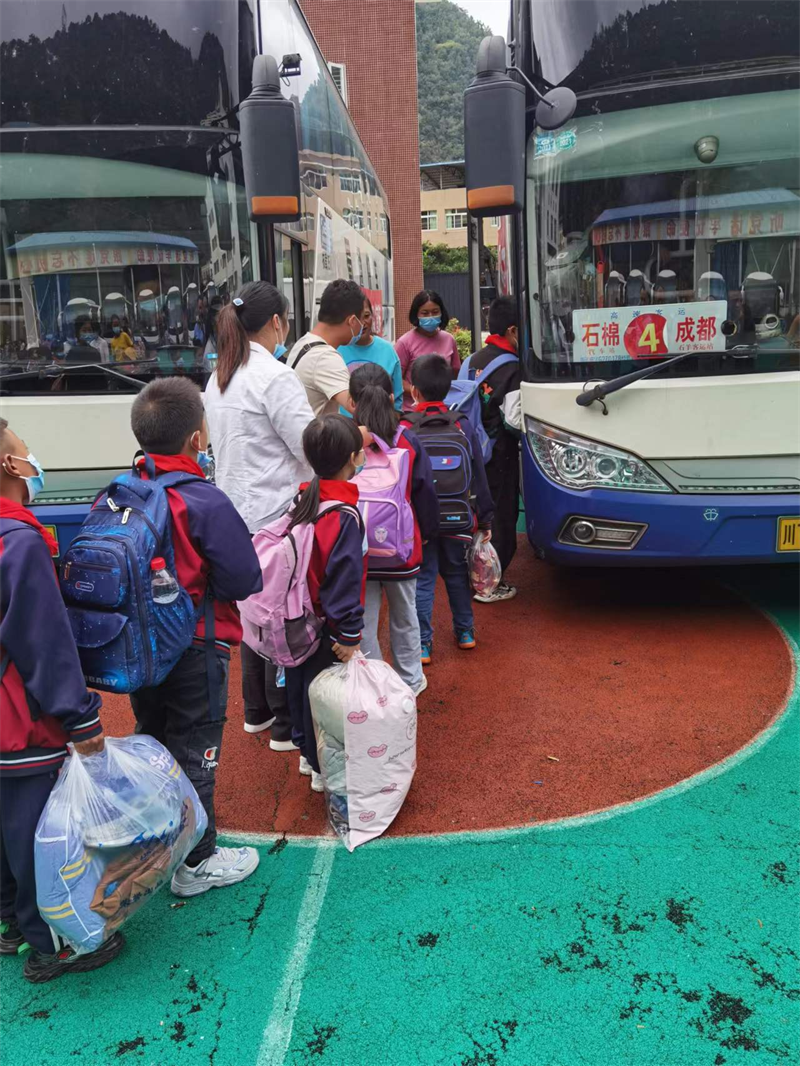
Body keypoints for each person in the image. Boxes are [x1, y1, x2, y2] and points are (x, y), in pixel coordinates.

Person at [129, 378, 263, 897]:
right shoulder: (202, 499)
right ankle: (197, 862)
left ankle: (158, 843)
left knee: (153, 738)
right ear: (196, 439)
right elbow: (244, 578)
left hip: (140, 648)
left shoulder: (123, 491)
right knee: (196, 750)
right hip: (195, 644)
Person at [0, 418, 122, 983]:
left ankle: (10, 919)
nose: (33, 458)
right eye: (25, 449)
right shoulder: (18, 540)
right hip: (19, 718)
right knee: (35, 829)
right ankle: (52, 942)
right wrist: (80, 717)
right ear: (10, 464)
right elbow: (42, 640)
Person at [204, 281, 315, 746]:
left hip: (235, 511)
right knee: (283, 611)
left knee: (252, 609)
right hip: (277, 512)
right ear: (276, 322)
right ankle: (285, 723)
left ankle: (257, 711)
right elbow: (308, 446)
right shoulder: (274, 376)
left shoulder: (221, 374)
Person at [284, 415, 366, 793]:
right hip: (326, 624)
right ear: (352, 458)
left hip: (296, 617)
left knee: (300, 686)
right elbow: (343, 579)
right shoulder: (343, 514)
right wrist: (349, 633)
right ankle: (323, 766)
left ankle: (305, 751)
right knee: (326, 696)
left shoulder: (303, 498)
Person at [349, 364, 438, 694]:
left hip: (359, 549)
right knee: (404, 615)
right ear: (391, 397)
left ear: (352, 403)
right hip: (402, 548)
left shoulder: (347, 440)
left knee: (366, 619)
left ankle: (374, 686)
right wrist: (427, 532)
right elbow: (425, 491)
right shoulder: (407, 439)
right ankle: (410, 680)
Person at [401, 355, 493, 661]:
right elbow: (479, 473)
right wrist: (485, 518)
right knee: (456, 574)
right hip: (459, 518)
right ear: (448, 389)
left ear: (414, 391)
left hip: (420, 522)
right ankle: (465, 633)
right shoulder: (461, 424)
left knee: (424, 578)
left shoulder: (405, 427)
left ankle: (423, 645)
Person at [468, 296, 522, 602]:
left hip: (470, 451)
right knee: (500, 517)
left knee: (476, 514)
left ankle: (471, 574)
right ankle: (488, 585)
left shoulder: (472, 361)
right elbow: (514, 419)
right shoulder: (512, 366)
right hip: (499, 454)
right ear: (512, 330)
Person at [285, 279, 364, 416]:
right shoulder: (325, 357)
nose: (363, 326)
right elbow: (358, 407)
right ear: (352, 321)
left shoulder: (303, 342)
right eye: (362, 319)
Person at [395, 290, 461, 410]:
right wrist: (419, 393)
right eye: (425, 313)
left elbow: (456, 373)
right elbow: (396, 379)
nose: (430, 317)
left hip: (443, 410)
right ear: (416, 314)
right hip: (412, 412)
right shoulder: (404, 343)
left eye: (435, 312)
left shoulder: (449, 339)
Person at [339, 295, 403, 410]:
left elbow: (397, 402)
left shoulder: (388, 351)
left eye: (366, 316)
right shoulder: (337, 351)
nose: (362, 323)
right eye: (356, 318)